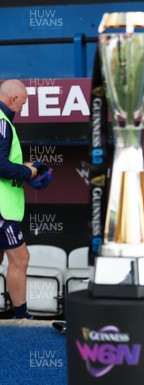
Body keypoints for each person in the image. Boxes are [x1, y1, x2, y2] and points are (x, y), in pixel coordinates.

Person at [0, 79, 37, 320]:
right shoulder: (2, 123)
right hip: (3, 210)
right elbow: (1, 166)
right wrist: (27, 172)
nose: (22, 109)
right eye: (22, 104)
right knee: (20, 258)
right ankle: (22, 318)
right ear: (13, 100)